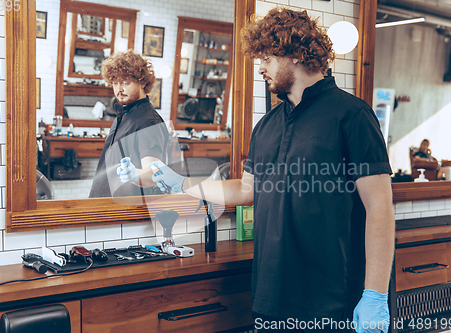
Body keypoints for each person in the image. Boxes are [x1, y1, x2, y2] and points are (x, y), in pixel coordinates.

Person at [125, 8, 395, 332]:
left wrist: (375, 293)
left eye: (266, 58)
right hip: (271, 297)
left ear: (294, 52)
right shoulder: (266, 126)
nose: (260, 68)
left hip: (333, 301)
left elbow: (379, 208)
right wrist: (182, 183)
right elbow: (245, 190)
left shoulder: (352, 116)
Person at [88, 50, 169, 198]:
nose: (119, 89)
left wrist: (134, 175)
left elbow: (153, 173)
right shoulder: (124, 114)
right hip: (106, 205)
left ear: (143, 82)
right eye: (115, 83)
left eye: (125, 83)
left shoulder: (148, 122)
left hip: (125, 211)